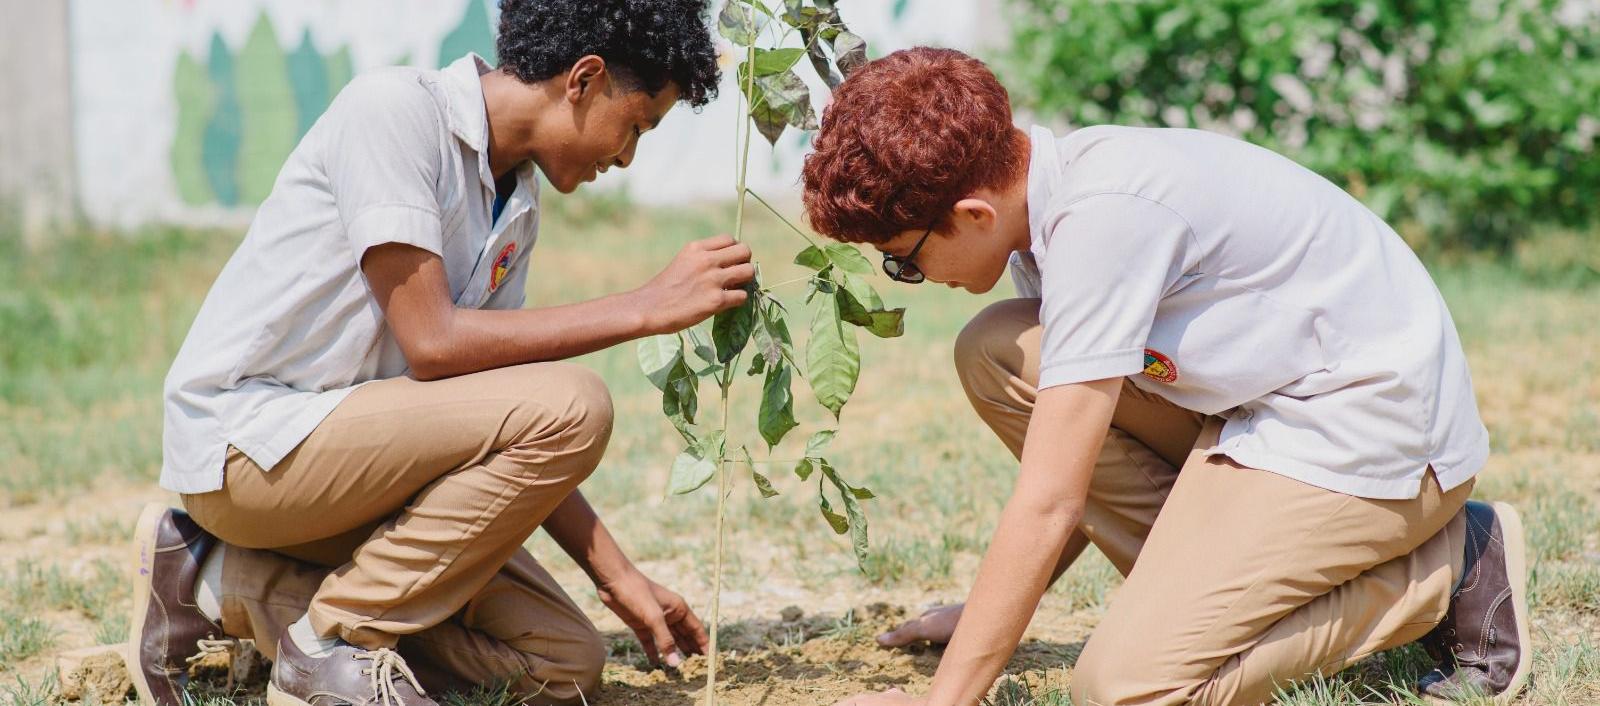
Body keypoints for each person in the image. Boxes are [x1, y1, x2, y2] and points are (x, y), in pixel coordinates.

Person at [802, 47, 1530, 706]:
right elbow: (1077, 463)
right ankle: (1216, 604)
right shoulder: (1045, 209)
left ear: (972, 212)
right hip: (1268, 410)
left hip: (1372, 436)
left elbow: (1051, 498)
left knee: (1125, 687)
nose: (910, 277)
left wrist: (944, 701)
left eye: (906, 258)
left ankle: (1448, 566)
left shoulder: (1103, 222)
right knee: (998, 349)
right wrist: (982, 622)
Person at [127, 2, 749, 705]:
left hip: (355, 476)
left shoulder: (516, 200)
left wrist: (619, 577)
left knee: (561, 663)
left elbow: (504, 412)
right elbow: (433, 343)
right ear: (584, 79)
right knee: (576, 403)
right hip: (249, 453)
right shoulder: (393, 112)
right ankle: (331, 644)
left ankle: (218, 583)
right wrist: (643, 307)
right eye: (636, 124)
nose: (627, 154)